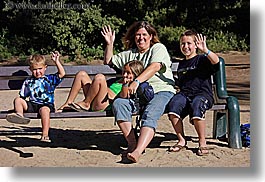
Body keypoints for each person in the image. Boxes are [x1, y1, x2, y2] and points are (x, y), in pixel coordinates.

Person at [101, 21, 176, 163]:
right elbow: (109, 61)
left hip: (161, 90)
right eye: (137, 35)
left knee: (150, 113)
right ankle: (132, 143)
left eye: (144, 35)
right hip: (137, 94)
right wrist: (109, 43)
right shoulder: (131, 53)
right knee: (119, 104)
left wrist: (137, 81)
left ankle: (138, 151)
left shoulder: (158, 48)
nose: (140, 38)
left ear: (151, 36)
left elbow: (155, 66)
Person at [167, 29, 219, 156]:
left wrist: (205, 50)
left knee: (197, 105)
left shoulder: (202, 59)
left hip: (202, 94)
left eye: (189, 43)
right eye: (183, 44)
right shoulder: (181, 64)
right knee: (173, 106)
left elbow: (216, 61)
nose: (185, 47)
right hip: (185, 94)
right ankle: (181, 140)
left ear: (195, 45)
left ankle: (202, 142)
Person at [6, 51, 65, 142]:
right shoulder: (28, 81)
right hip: (33, 104)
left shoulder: (49, 79)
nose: (37, 72)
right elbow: (22, 97)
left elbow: (62, 74)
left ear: (45, 68)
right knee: (17, 100)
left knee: (44, 110)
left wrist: (56, 61)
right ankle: (20, 115)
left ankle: (45, 135)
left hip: (46, 105)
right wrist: (18, 107)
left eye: (40, 69)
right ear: (30, 69)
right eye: (34, 69)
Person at [57, 60, 144, 113]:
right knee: (81, 74)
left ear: (135, 74)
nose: (124, 75)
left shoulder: (131, 85)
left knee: (100, 78)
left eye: (128, 73)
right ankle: (67, 103)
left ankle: (86, 103)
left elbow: (124, 96)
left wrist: (125, 84)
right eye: (124, 71)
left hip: (104, 105)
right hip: (95, 99)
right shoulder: (119, 80)